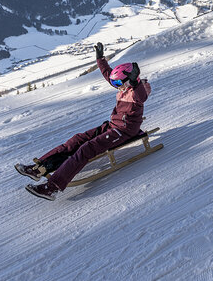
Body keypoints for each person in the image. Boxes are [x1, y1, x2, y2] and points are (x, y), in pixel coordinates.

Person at [16, 42, 151, 200]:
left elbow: (141, 97)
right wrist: (100, 58)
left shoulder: (137, 91)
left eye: (118, 83)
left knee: (87, 148)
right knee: (77, 139)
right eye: (115, 83)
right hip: (112, 125)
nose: (116, 86)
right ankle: (39, 168)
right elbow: (108, 75)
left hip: (124, 131)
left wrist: (136, 83)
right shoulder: (123, 86)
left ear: (129, 80)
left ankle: (52, 188)